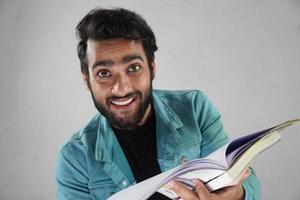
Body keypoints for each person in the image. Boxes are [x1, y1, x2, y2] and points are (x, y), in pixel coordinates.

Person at [55, 8, 260, 200]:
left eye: (134, 68)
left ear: (152, 69)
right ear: (86, 80)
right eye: (104, 73)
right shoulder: (74, 159)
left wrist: (235, 195)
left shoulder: (195, 109)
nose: (122, 88)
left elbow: (246, 182)